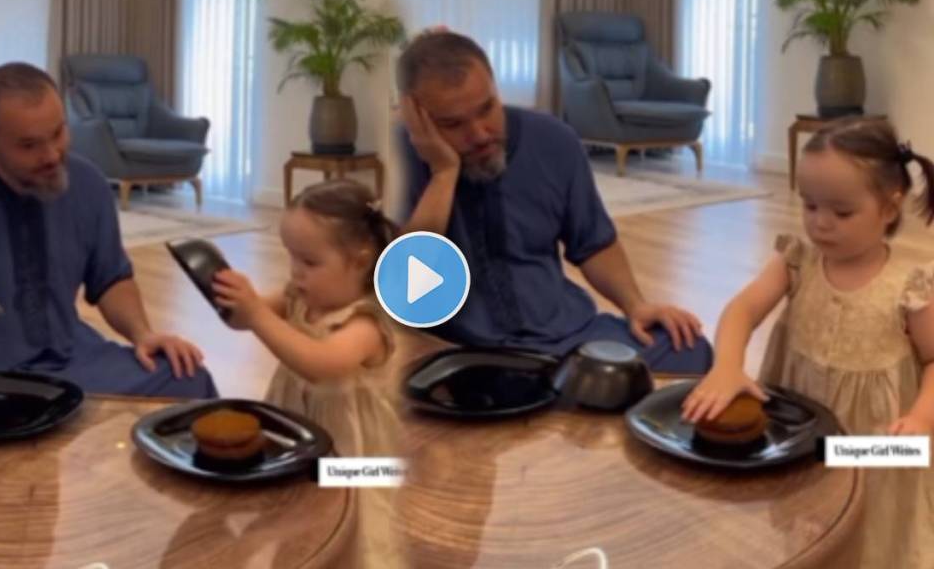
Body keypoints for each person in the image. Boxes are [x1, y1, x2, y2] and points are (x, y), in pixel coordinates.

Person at [683, 118, 934, 569]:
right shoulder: (795, 261)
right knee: (805, 518)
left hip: (877, 446)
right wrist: (727, 366)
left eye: (841, 212)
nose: (820, 223)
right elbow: (741, 310)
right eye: (810, 205)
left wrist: (919, 417)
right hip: (802, 433)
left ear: (890, 209)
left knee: (871, 535)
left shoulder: (909, 287)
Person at [396, 31, 711, 373]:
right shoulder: (399, 157)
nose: (480, 133)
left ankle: (561, 391)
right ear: (417, 117)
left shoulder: (553, 140)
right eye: (453, 124)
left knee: (690, 350)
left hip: (565, 335)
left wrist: (636, 306)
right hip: (463, 350)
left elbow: (592, 243)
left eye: (487, 108)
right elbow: (409, 296)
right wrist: (443, 173)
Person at [0, 62, 216, 398]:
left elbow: (111, 278)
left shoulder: (87, 183)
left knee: (189, 379)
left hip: (72, 361)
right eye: (29, 145)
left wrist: (143, 334)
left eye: (58, 133)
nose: (52, 155)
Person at [212, 180, 405, 568]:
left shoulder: (365, 323)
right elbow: (243, 321)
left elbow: (320, 363)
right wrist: (229, 298)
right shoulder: (299, 296)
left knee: (354, 531)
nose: (296, 273)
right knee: (297, 518)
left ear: (361, 260)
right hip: (298, 435)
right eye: (292, 258)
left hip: (351, 456)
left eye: (310, 262)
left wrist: (257, 314)